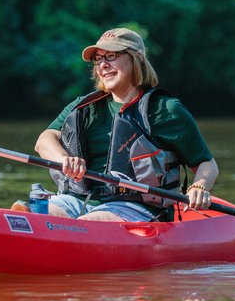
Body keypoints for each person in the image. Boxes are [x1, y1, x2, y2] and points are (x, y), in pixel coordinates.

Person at [33, 27, 218, 222]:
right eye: (98, 59)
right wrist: (63, 158)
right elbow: (45, 139)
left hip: (135, 207)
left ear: (136, 58)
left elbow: (206, 164)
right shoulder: (83, 107)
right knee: (30, 213)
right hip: (75, 200)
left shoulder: (166, 110)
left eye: (111, 56)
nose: (103, 65)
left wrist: (199, 187)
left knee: (90, 223)